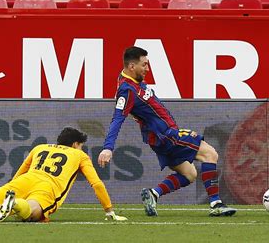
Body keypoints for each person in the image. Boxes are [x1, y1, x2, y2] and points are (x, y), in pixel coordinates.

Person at [98, 46, 237, 217]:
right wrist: (108, 147)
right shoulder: (127, 91)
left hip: (161, 139)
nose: (147, 69)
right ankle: (216, 203)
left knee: (189, 174)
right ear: (132, 66)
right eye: (144, 65)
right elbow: (117, 119)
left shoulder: (132, 80)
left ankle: (153, 194)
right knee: (210, 154)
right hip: (167, 136)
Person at [0, 127, 127, 224]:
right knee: (31, 215)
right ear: (75, 144)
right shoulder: (79, 155)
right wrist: (109, 210)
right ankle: (14, 204)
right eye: (81, 145)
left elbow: (18, 174)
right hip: (47, 187)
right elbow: (97, 184)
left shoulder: (39, 147)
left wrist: (9, 191)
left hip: (22, 182)